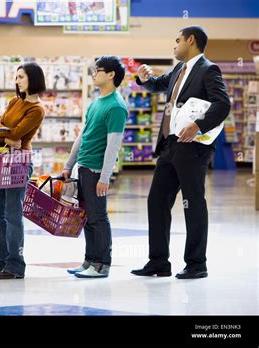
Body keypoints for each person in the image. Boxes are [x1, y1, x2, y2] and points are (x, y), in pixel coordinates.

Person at [131, 26, 231, 279]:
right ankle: (158, 262)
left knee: (192, 203)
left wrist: (198, 126)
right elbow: (157, 85)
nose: (174, 45)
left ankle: (197, 264)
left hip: (193, 148)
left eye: (177, 40)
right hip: (170, 145)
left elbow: (223, 104)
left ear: (191, 40)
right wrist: (144, 79)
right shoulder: (178, 69)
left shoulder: (209, 69)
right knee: (156, 200)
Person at [62, 56, 127, 279]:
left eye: (98, 70)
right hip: (84, 167)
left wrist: (105, 177)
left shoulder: (117, 107)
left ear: (111, 75)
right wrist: (69, 164)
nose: (94, 74)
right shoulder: (96, 103)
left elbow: (113, 146)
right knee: (87, 216)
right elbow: (83, 135)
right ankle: (90, 260)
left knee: (98, 217)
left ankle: (102, 264)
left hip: (97, 170)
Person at [0, 62, 46, 280]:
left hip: (20, 162)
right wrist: (5, 134)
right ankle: (3, 260)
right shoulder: (14, 101)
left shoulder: (37, 109)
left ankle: (15, 265)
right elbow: (5, 132)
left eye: (21, 77)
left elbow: (15, 134)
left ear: (33, 79)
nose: (17, 80)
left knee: (12, 214)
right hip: (2, 158)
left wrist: (3, 132)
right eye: (16, 77)